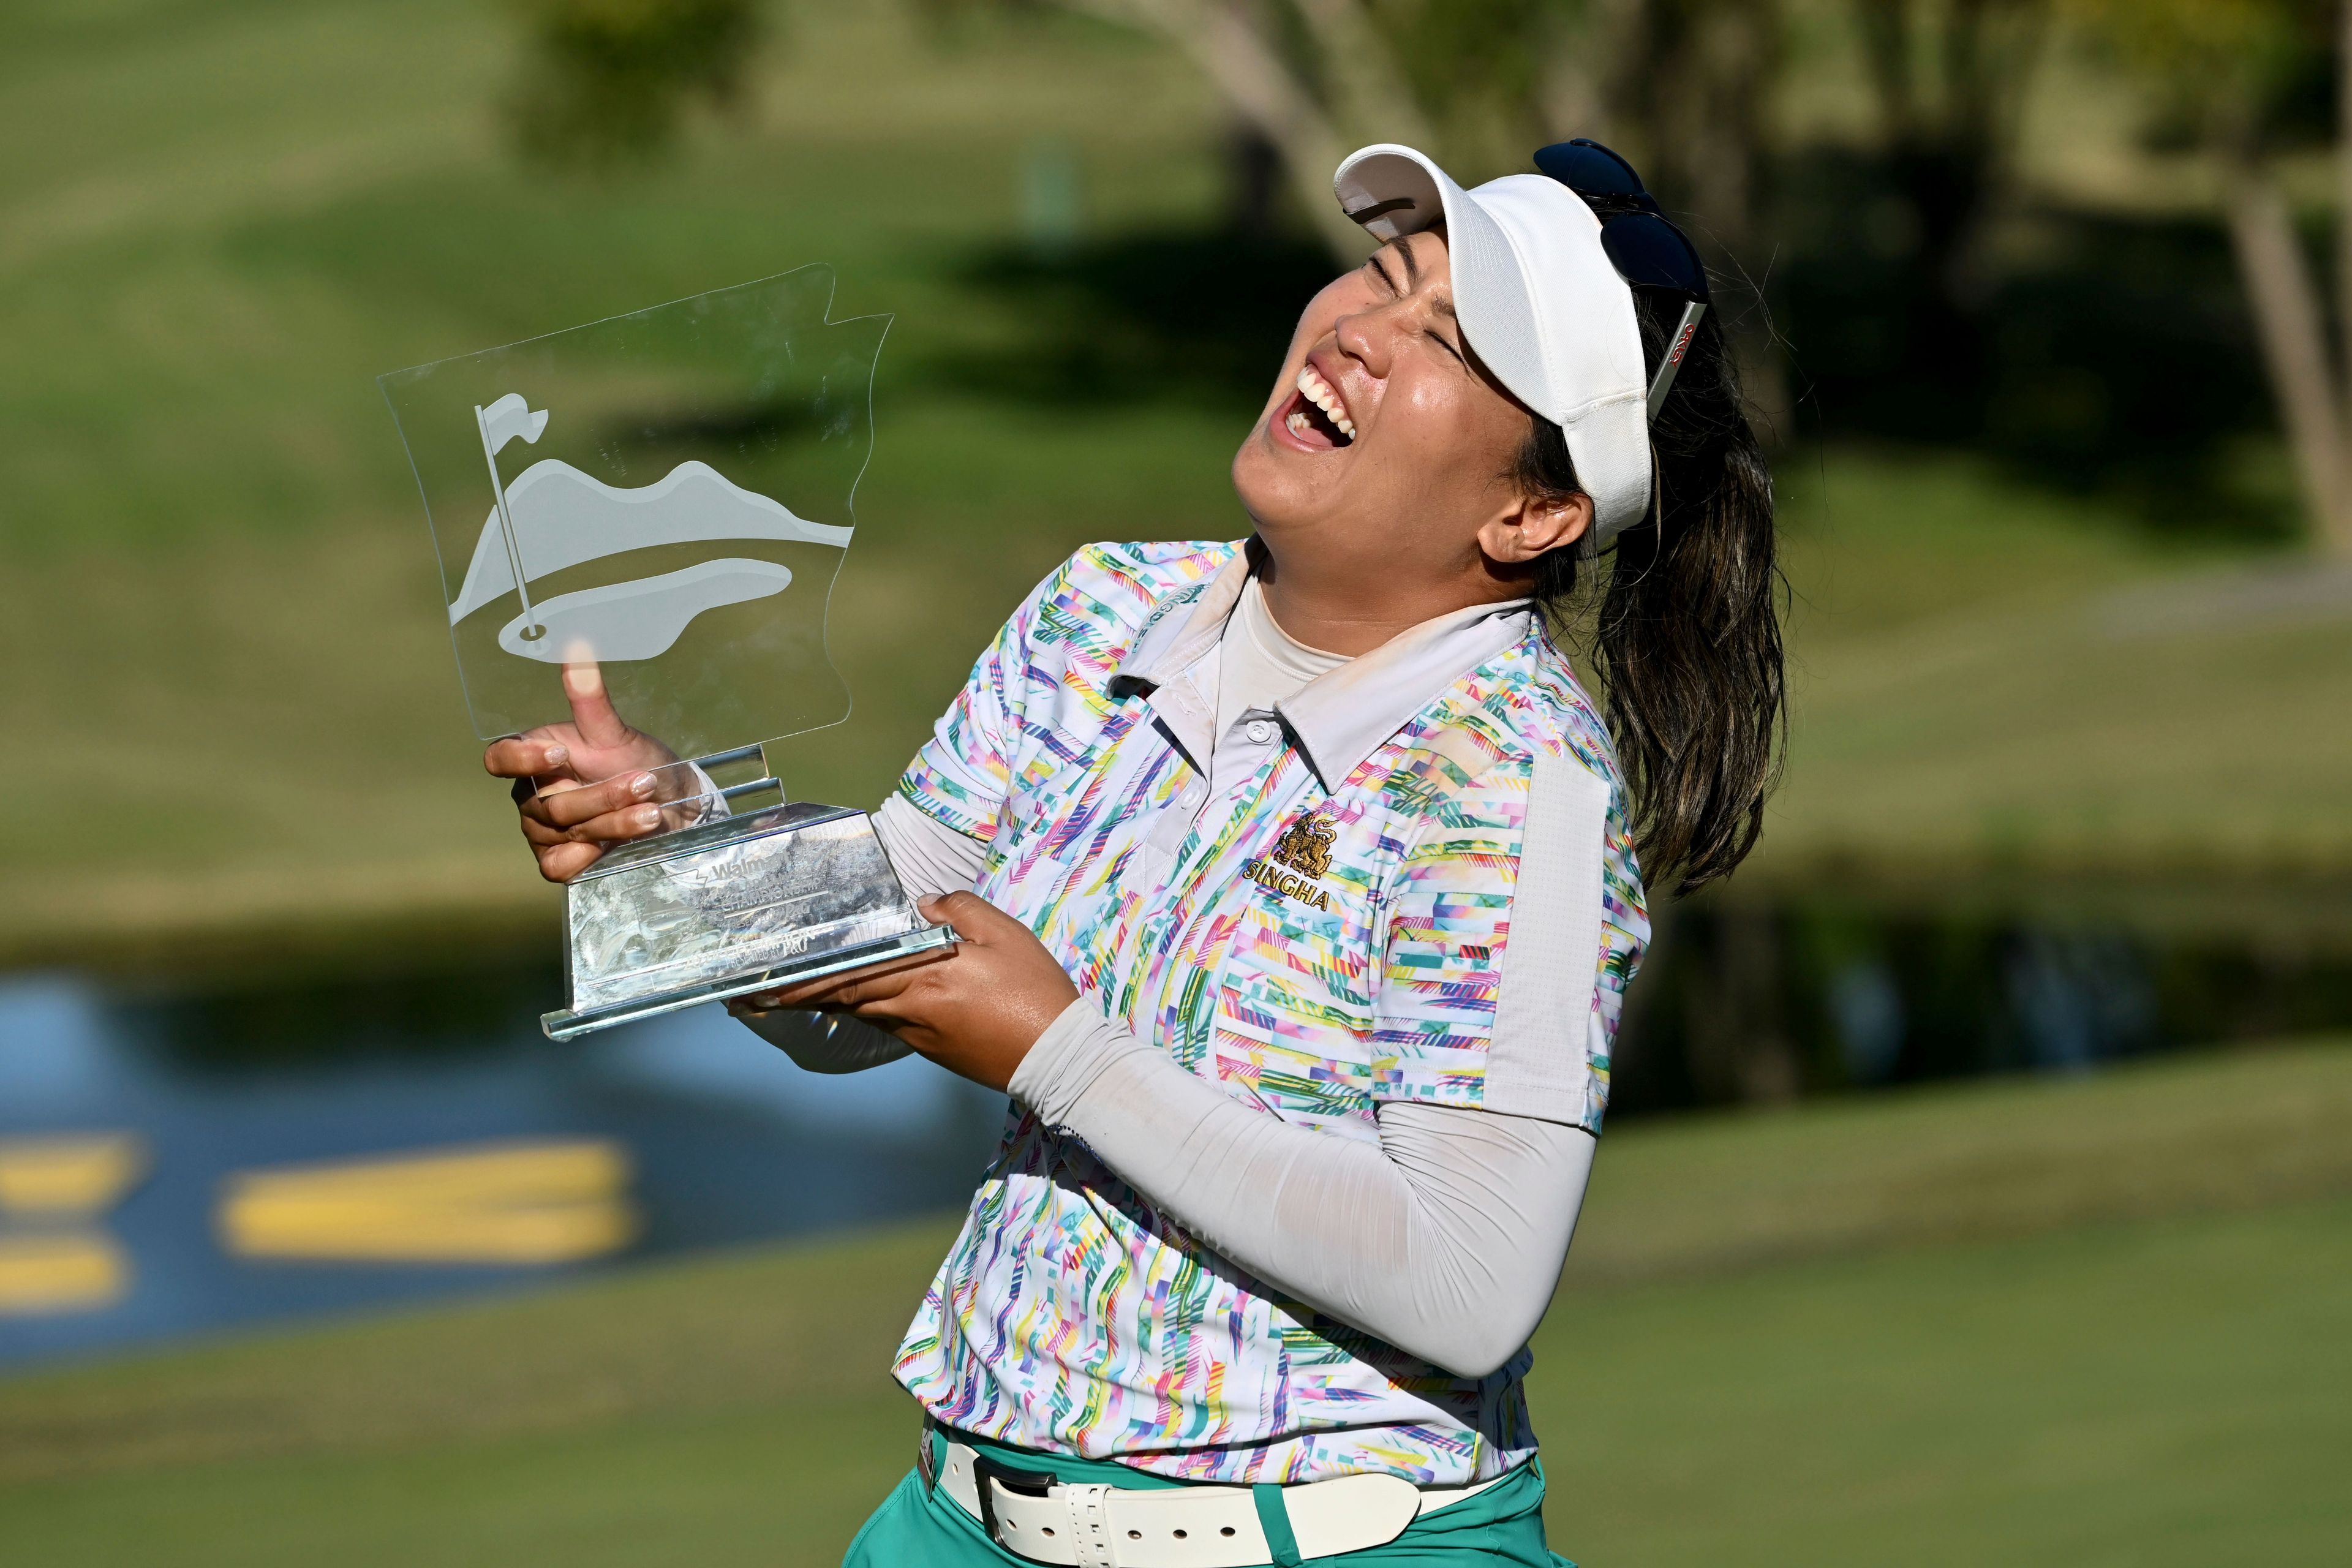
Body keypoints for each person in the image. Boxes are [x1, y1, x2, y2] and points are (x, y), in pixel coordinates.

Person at [488, 139, 1782, 1567]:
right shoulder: (1103, 610)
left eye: (1445, 342)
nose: (1355, 329)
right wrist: (684, 843)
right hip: (957, 1520)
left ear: (1529, 515)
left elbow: (1470, 1281)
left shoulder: (1512, 774)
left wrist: (1056, 1047)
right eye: (1384, 275)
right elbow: (874, 965)